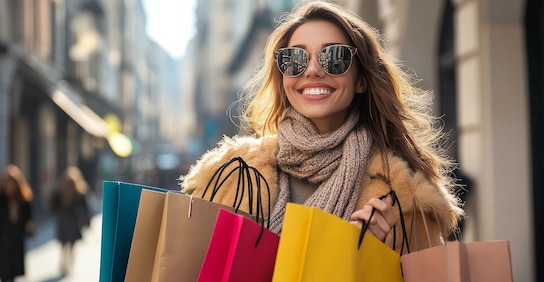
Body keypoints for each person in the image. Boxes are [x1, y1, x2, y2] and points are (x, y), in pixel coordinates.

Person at [180, 0, 463, 251]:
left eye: (335, 57)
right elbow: (198, 280)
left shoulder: (402, 197)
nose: (313, 70)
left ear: (361, 79)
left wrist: (377, 253)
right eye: (295, 60)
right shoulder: (232, 174)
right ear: (283, 77)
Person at [0, 164, 35, 282]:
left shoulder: (24, 200)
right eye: (8, 182)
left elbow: (29, 223)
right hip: (2, 245)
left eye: (13, 183)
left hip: (16, 245)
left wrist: (29, 227)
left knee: (12, 278)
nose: (10, 186)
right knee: (3, 277)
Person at [51, 166, 91, 276]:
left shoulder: (76, 192)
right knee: (69, 246)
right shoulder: (63, 191)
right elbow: (86, 209)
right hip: (70, 223)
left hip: (68, 223)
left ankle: (65, 263)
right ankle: (67, 263)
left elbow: (85, 208)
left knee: (66, 246)